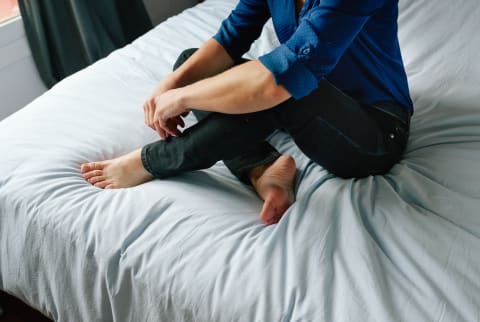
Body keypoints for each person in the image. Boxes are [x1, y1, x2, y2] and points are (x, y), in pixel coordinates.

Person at [81, 0, 413, 226]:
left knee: (286, 84)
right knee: (190, 63)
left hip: (376, 128)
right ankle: (263, 169)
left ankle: (151, 161)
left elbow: (285, 75)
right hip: (307, 96)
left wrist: (182, 100)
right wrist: (172, 84)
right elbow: (232, 36)